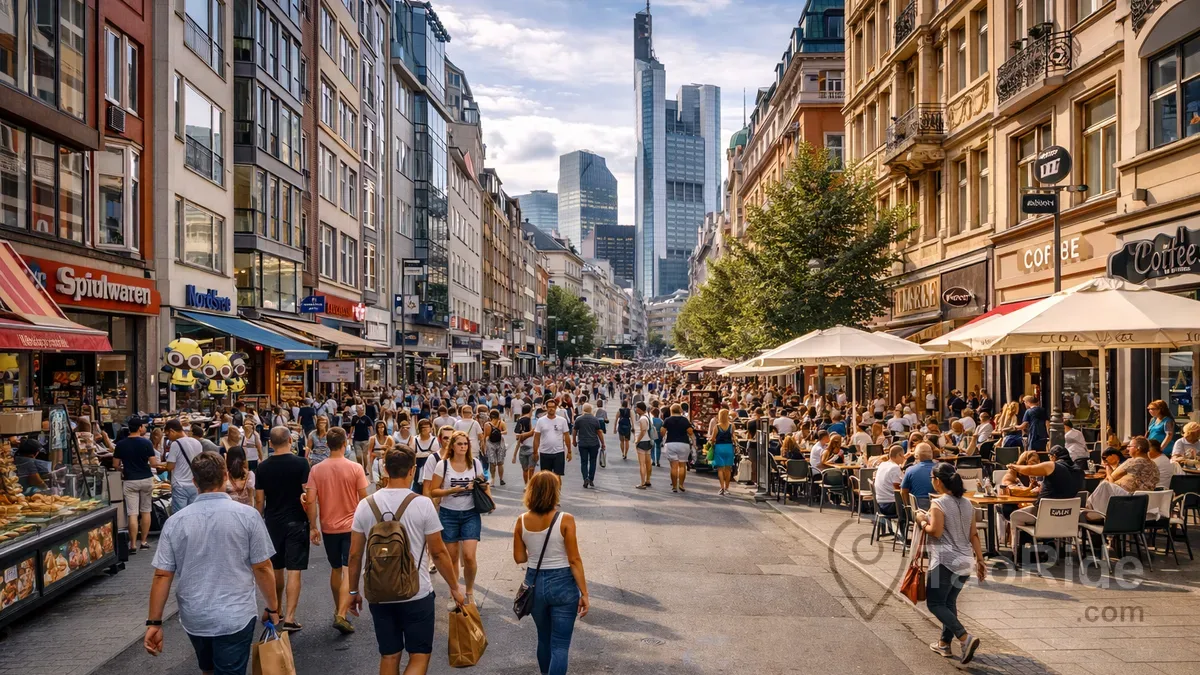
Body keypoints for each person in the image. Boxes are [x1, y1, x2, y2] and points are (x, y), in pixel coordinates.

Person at [144, 452, 279, 675]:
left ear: (194, 482)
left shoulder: (175, 522)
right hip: (235, 615)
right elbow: (262, 567)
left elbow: (162, 575)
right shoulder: (248, 516)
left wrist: (154, 622)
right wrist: (273, 607)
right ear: (225, 475)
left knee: (207, 669)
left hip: (195, 615)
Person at [348, 447, 466, 675]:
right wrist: (454, 587)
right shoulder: (422, 504)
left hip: (379, 594)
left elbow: (354, 555)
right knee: (419, 654)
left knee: (389, 654)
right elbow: (439, 553)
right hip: (417, 592)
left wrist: (353, 592)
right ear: (412, 470)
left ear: (385, 469)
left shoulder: (366, 505)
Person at [513, 472, 589, 675]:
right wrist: (584, 593)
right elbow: (574, 559)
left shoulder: (521, 521)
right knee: (560, 645)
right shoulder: (566, 520)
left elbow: (519, 557)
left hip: (534, 583)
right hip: (563, 583)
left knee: (543, 638)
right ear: (554, 492)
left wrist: (534, 549)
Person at [913, 462, 984, 665]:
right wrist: (980, 560)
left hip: (944, 560)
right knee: (949, 602)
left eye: (931, 479)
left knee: (935, 603)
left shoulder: (939, 503)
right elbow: (974, 534)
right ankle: (944, 643)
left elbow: (935, 531)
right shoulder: (967, 503)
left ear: (937, 481)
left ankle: (964, 638)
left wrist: (921, 520)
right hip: (964, 561)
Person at [305, 427, 369, 634]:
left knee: (335, 568)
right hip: (352, 525)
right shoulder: (355, 468)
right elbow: (364, 499)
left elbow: (311, 500)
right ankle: (341, 613)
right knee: (348, 568)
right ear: (344, 444)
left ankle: (338, 608)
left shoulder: (317, 470)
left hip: (328, 526)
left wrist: (313, 526)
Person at [255, 426, 311, 632]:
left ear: (270, 443)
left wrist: (257, 521)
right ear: (290, 441)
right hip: (296, 520)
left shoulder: (262, 467)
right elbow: (308, 494)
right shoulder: (301, 463)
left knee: (276, 569)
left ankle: (275, 610)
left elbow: (259, 499)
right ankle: (289, 617)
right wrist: (313, 520)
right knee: (294, 571)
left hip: (272, 522)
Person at [429, 431, 489, 605]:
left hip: (471, 513)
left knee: (469, 556)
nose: (463, 447)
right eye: (460, 444)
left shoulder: (475, 464)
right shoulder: (443, 465)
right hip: (449, 514)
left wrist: (483, 489)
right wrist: (452, 490)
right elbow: (433, 490)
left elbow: (483, 484)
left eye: (465, 444)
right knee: (452, 557)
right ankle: (454, 592)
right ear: (452, 446)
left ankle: (469, 591)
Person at [113, 418, 159, 553]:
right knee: (146, 510)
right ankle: (143, 541)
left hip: (130, 480)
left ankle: (132, 544)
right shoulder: (146, 442)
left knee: (132, 513)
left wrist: (123, 469)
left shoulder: (121, 444)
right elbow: (154, 463)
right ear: (139, 428)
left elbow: (115, 464)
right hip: (146, 479)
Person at [1087, 436, 1159, 517]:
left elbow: (1111, 477)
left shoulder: (1134, 461)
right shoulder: (1154, 465)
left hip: (1129, 500)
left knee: (1104, 485)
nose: (1127, 449)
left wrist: (1107, 467)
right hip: (1144, 502)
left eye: (1130, 446)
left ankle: (1091, 511)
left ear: (1138, 449)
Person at [163, 419, 204, 513]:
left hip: (180, 485)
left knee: (179, 515)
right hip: (195, 484)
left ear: (172, 431)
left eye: (167, 434)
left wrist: (162, 467)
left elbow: (170, 466)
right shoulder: (197, 442)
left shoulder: (175, 444)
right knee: (193, 513)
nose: (168, 438)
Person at [661, 404, 694, 493]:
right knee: (682, 466)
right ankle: (681, 484)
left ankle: (674, 486)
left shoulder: (667, 420)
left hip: (671, 443)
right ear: (680, 410)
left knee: (673, 467)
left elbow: (662, 432)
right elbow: (690, 432)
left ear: (671, 411)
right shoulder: (685, 420)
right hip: (683, 443)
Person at [533, 399, 572, 477]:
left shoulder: (562, 420)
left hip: (559, 452)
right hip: (545, 452)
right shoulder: (541, 421)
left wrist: (569, 451)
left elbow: (567, 436)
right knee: (546, 477)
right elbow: (536, 437)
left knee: (558, 476)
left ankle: (557, 489)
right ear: (546, 408)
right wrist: (535, 452)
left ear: (556, 407)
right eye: (549, 407)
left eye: (553, 407)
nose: (551, 409)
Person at [572, 403, 605, 489]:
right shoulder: (595, 419)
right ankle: (591, 479)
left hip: (582, 443)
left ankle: (585, 478)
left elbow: (575, 430)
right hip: (594, 443)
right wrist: (603, 443)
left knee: (584, 462)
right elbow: (599, 432)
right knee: (593, 461)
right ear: (591, 410)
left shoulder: (579, 419)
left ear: (583, 409)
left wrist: (574, 441)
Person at [900, 443, 936, 510]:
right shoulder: (941, 469)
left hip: (918, 509)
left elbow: (903, 491)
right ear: (931, 455)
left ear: (916, 456)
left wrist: (908, 507)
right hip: (939, 507)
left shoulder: (910, 470)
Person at [874, 445, 906, 518]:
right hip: (890, 505)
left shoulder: (883, 464)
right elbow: (897, 489)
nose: (904, 458)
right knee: (912, 508)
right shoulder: (894, 468)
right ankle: (902, 527)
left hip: (880, 503)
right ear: (899, 455)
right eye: (903, 456)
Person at [710, 409, 736, 496]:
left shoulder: (717, 427)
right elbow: (734, 437)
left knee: (720, 469)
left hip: (719, 448)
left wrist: (711, 442)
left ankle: (721, 487)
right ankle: (727, 487)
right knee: (728, 469)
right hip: (729, 447)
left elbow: (713, 439)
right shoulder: (731, 426)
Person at [513, 404, 538, 484]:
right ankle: (528, 484)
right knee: (529, 469)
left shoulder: (522, 420)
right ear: (530, 411)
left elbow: (518, 436)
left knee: (527, 469)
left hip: (528, 447)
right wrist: (529, 433)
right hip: (530, 447)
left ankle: (528, 484)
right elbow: (518, 437)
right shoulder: (526, 420)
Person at [633, 401, 655, 489]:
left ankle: (642, 483)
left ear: (639, 408)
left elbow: (643, 430)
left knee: (642, 464)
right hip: (648, 441)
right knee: (648, 462)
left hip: (642, 442)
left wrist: (637, 441)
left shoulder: (642, 418)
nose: (635, 409)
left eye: (636, 407)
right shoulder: (648, 416)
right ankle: (648, 479)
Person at [483, 409, 508, 486]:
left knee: (492, 463)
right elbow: (506, 431)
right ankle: (501, 479)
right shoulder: (502, 423)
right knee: (500, 463)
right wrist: (499, 432)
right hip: (500, 443)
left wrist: (483, 447)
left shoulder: (487, 424)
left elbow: (485, 436)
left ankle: (493, 480)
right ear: (498, 416)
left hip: (490, 444)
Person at [412, 419, 438, 491]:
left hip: (431, 469)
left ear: (430, 428)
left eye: (427, 427)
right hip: (417, 470)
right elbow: (412, 454)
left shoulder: (435, 441)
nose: (425, 429)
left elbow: (436, 456)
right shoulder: (414, 440)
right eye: (422, 427)